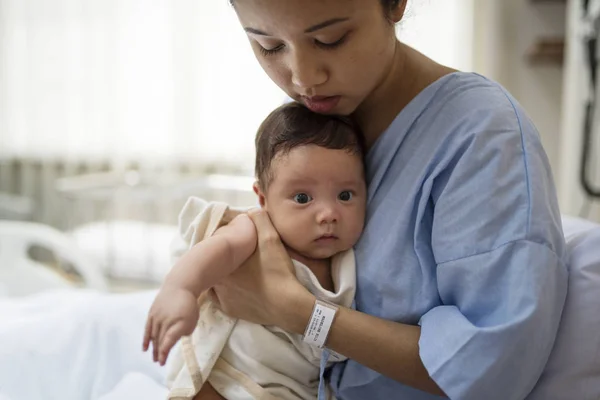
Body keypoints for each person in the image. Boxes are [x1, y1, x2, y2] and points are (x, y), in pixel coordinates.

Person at [204, 1, 569, 399]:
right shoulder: (319, 126)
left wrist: (299, 313)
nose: (304, 77)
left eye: (331, 39)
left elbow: (493, 366)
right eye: (270, 46)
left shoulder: (481, 138)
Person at [143, 102, 367, 399]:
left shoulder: (351, 263)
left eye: (345, 195)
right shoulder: (257, 230)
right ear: (263, 198)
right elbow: (220, 248)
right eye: (302, 197)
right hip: (227, 375)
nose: (328, 213)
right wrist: (181, 288)